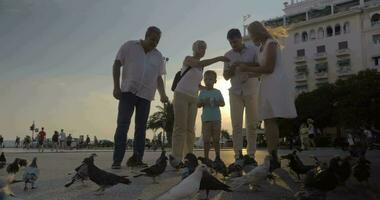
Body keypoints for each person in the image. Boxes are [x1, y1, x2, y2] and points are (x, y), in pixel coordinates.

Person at [234, 21, 297, 171]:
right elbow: (261, 67)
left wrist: (247, 68)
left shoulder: (271, 43)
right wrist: (248, 71)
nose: (251, 37)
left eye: (251, 34)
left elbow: (269, 68)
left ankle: (274, 156)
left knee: (271, 118)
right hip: (267, 83)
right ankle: (272, 155)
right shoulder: (261, 47)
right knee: (268, 119)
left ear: (257, 33)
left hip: (275, 83)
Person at [112, 26, 169, 169]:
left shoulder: (158, 56)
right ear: (146, 36)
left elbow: (159, 78)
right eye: (152, 39)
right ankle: (117, 160)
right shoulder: (130, 46)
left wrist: (162, 94)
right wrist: (116, 87)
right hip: (128, 92)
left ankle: (137, 158)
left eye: (157, 41)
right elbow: (117, 64)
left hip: (146, 95)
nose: (154, 43)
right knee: (123, 125)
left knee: (141, 128)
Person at [170, 40, 229, 167]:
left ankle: (188, 156)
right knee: (180, 127)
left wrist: (208, 88)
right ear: (194, 48)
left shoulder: (201, 68)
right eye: (200, 47)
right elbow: (199, 63)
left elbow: (196, 84)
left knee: (190, 129)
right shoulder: (189, 59)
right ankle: (176, 158)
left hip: (193, 97)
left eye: (204, 48)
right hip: (181, 95)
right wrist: (219, 58)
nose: (202, 50)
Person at [223, 28, 259, 165]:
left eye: (235, 41)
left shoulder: (253, 50)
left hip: (252, 91)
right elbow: (226, 76)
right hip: (235, 93)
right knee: (236, 125)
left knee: (252, 125)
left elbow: (259, 65)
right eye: (231, 43)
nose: (233, 45)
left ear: (241, 39)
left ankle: (251, 155)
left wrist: (242, 64)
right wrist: (232, 67)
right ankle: (238, 154)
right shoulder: (227, 55)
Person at [198, 70, 225, 160]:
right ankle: (206, 158)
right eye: (206, 79)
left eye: (210, 79)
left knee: (216, 140)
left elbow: (222, 103)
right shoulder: (202, 92)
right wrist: (202, 102)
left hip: (216, 119)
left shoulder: (217, 92)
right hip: (206, 120)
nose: (208, 81)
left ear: (215, 81)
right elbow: (198, 105)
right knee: (206, 140)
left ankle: (218, 157)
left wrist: (216, 102)